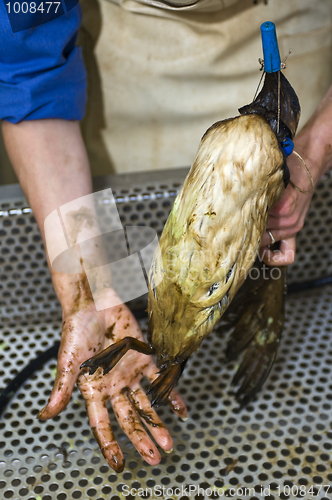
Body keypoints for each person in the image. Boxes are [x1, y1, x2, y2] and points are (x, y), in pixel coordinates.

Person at [1, 0, 332, 472]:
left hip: (301, 43)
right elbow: (29, 67)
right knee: (125, 244)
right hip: (130, 67)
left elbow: (302, 155)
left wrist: (311, 155)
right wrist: (87, 285)